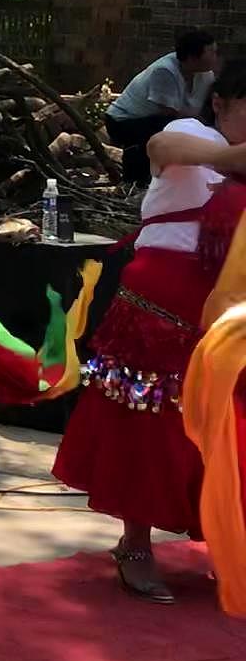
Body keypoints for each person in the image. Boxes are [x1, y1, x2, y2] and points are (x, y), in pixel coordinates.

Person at [54, 59, 246, 604]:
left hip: (226, 321)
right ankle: (135, 542)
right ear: (220, 104)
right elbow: (159, 152)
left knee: (226, 430)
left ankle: (222, 535)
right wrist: (234, 159)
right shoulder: (193, 135)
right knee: (148, 429)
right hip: (159, 309)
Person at [105, 30, 220, 186]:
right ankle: (136, 182)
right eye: (211, 52)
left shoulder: (206, 75)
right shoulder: (165, 71)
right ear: (193, 57)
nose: (216, 56)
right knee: (165, 130)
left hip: (164, 120)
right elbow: (169, 113)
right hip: (125, 121)